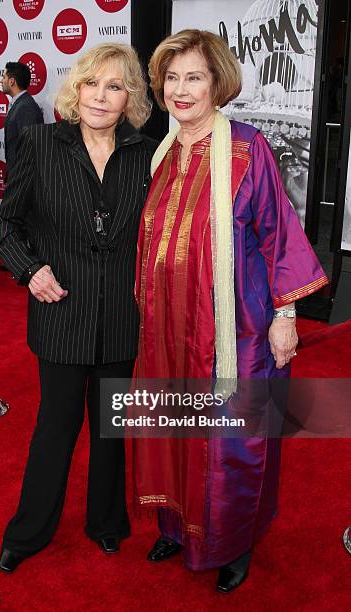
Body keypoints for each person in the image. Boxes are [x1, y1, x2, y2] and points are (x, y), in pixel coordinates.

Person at [133, 29, 329, 594]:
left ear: (218, 82)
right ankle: (176, 522)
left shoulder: (249, 149)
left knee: (232, 443)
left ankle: (233, 543)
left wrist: (286, 316)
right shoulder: (164, 155)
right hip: (169, 330)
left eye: (194, 76)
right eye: (172, 77)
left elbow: (279, 236)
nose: (181, 89)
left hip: (233, 333)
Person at [0, 43, 156, 572]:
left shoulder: (146, 153)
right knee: (55, 429)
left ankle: (106, 523)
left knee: (111, 428)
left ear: (130, 96)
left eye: (115, 86)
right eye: (92, 83)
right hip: (61, 314)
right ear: (76, 89)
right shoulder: (40, 142)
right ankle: (29, 531)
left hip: (120, 320)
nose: (101, 96)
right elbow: (7, 224)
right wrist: (29, 269)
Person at [0, 62, 44, 178]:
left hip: (22, 178)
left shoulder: (25, 107)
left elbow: (29, 149)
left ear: (12, 81)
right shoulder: (20, 104)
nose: (1, 81)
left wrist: (19, 181)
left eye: (3, 77)